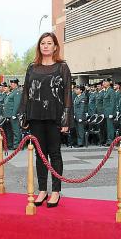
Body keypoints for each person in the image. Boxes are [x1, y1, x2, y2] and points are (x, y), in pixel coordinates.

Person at [18, 32, 72, 208]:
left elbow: (67, 94)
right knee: (40, 154)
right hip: (36, 115)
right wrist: (24, 114)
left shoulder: (62, 67)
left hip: (55, 116)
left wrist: (66, 120)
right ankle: (42, 189)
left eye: (49, 43)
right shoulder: (32, 67)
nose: (46, 46)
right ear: (39, 46)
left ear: (55, 46)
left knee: (54, 153)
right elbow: (26, 92)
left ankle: (56, 191)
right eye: (43, 43)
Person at [103, 78, 117, 146]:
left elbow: (112, 103)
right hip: (106, 112)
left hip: (109, 112)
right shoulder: (106, 91)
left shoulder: (111, 91)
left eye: (106, 82)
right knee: (107, 127)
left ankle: (111, 141)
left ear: (109, 82)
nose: (104, 83)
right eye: (104, 82)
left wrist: (111, 113)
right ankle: (108, 140)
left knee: (110, 127)